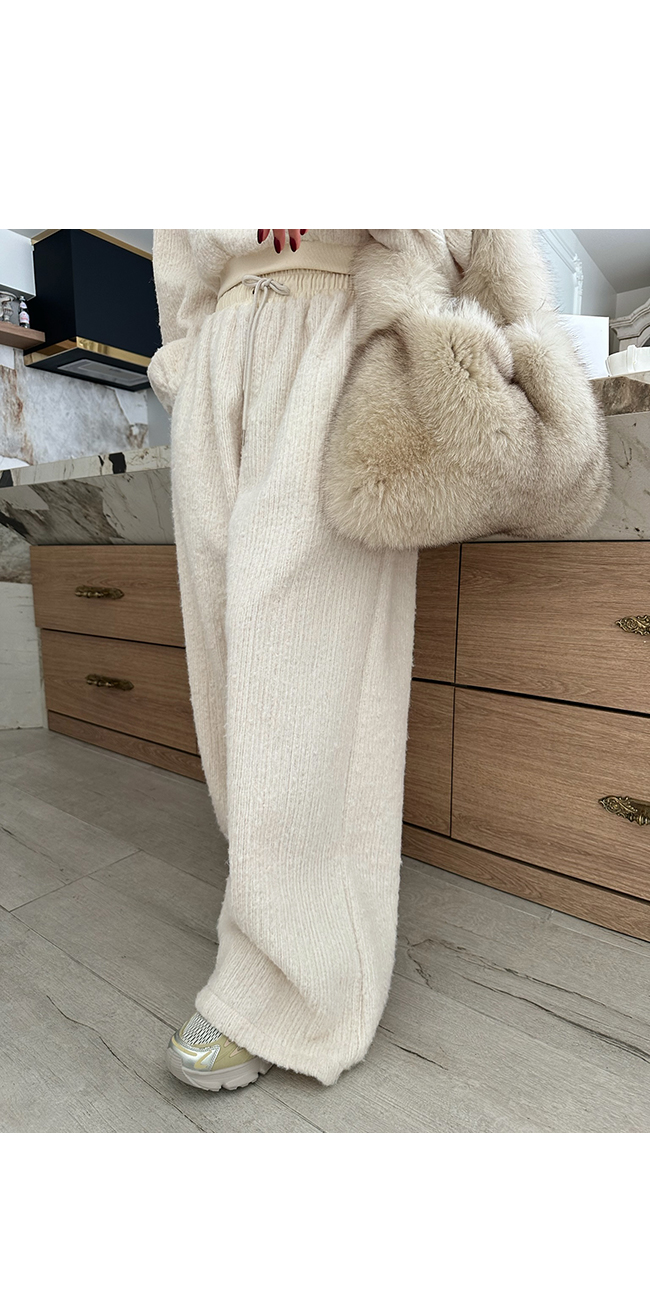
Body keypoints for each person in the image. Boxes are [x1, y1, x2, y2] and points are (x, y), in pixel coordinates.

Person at [148, 227, 608, 1093]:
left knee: (303, 685)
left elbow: (482, 233)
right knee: (226, 680)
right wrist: (192, 355)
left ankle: (292, 988)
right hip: (219, 359)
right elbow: (180, 262)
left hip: (336, 333)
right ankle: (282, 919)